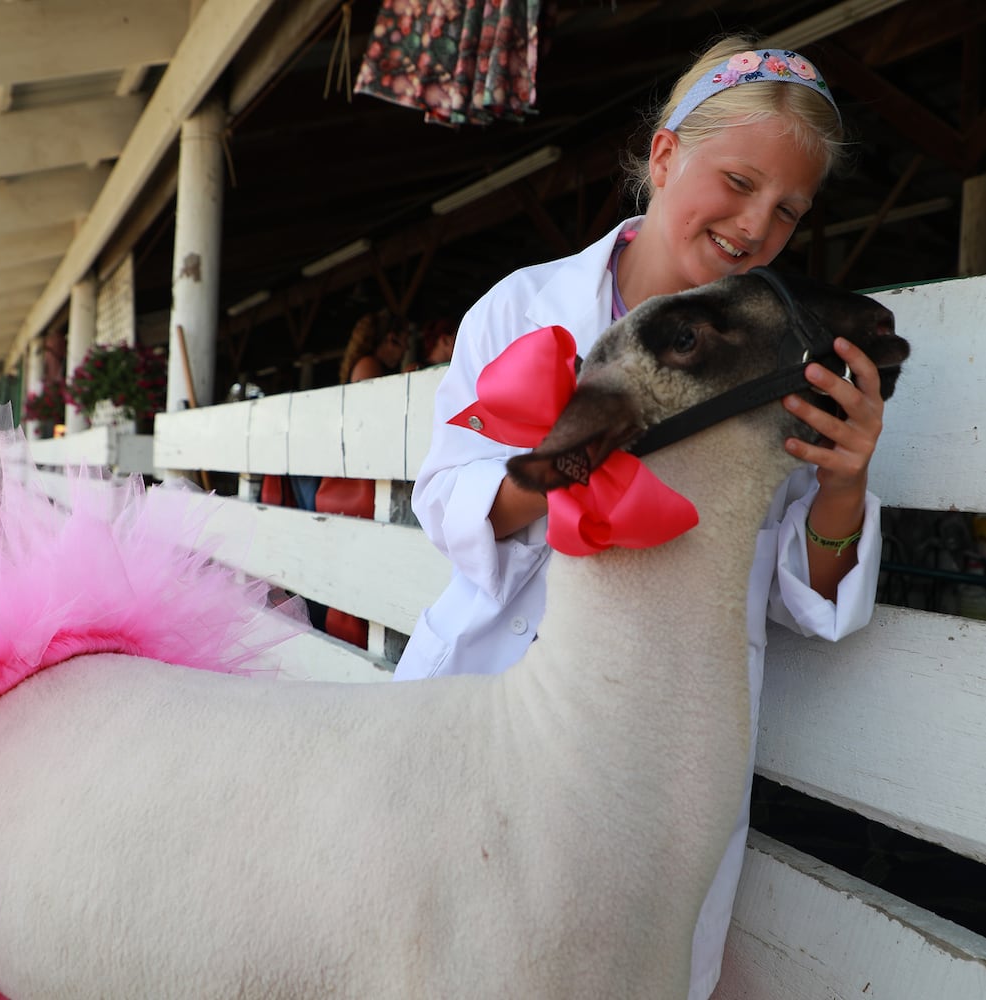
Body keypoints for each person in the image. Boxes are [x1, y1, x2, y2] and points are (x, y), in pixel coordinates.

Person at [395, 36, 889, 1000]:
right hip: (487, 706)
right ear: (663, 157)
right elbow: (444, 494)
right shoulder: (525, 306)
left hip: (654, 756)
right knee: (439, 950)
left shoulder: (785, 360)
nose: (756, 225)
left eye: (788, 208)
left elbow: (804, 598)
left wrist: (843, 485)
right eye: (738, 181)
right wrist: (564, 465)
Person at [316, 310, 411, 646]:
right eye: (401, 343)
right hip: (361, 480)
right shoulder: (370, 366)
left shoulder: (361, 364)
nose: (402, 351)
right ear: (390, 339)